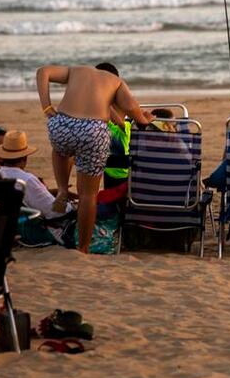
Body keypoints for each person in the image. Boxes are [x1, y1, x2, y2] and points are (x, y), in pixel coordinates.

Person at [36, 62, 153, 253]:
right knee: (88, 195)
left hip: (61, 123)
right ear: (113, 74)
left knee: (60, 150)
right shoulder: (115, 82)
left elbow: (43, 72)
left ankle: (63, 189)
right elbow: (131, 106)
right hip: (93, 131)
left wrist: (46, 106)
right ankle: (83, 247)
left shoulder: (77, 70)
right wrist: (143, 119)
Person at [0, 130, 75, 246]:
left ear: (3, 157)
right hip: (31, 232)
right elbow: (54, 212)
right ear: (25, 158)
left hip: (5, 229)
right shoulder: (27, 180)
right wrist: (71, 206)